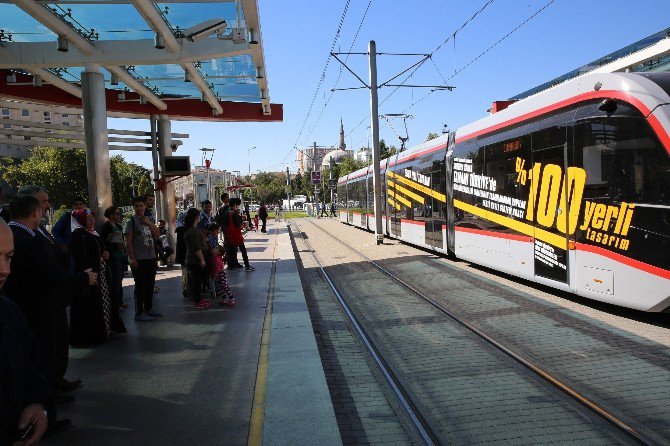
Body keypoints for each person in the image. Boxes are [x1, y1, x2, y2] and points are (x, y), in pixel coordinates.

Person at [3, 195, 95, 436]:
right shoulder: (28, 240)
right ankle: (44, 419)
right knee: (42, 360)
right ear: (34, 212)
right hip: (39, 310)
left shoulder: (23, 235)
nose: (4, 268)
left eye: (7, 258)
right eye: (43, 204)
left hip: (31, 309)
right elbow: (50, 275)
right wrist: (83, 278)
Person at [17, 185, 83, 394]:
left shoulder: (41, 229)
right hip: (42, 302)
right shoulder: (26, 235)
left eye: (47, 201)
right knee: (46, 347)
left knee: (59, 341)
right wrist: (80, 278)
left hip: (55, 300)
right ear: (31, 205)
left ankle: (56, 379)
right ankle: (47, 391)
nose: (47, 205)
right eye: (43, 201)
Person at [0, 219, 51, 445]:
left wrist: (36, 404)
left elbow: (32, 368)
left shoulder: (9, 313)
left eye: (8, 257)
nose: (5, 270)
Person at [69, 209, 126, 346]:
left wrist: (105, 253)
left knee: (103, 302)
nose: (91, 220)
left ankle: (105, 330)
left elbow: (101, 247)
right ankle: (92, 335)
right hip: (90, 276)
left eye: (92, 218)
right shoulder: (79, 235)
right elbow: (80, 257)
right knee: (90, 306)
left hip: (101, 274)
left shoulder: (92, 233)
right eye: (88, 218)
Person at [124, 196, 161, 322]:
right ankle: (139, 312)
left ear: (145, 206)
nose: (139, 208)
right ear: (134, 207)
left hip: (151, 257)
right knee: (140, 286)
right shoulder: (131, 222)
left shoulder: (148, 219)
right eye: (137, 206)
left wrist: (149, 223)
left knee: (150, 284)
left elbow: (157, 234)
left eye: (141, 205)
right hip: (139, 259)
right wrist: (131, 258)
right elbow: (128, 242)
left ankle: (149, 308)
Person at [100, 206, 127, 311]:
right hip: (113, 256)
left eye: (118, 214)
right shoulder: (106, 227)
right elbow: (103, 241)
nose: (118, 215)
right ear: (110, 215)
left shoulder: (119, 226)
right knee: (115, 279)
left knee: (119, 279)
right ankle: (115, 303)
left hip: (120, 255)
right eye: (116, 213)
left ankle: (119, 301)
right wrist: (113, 244)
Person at [183, 208, 210, 309]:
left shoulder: (191, 228)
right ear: (196, 217)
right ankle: (197, 301)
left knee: (199, 280)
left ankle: (199, 298)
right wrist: (202, 259)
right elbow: (195, 247)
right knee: (197, 281)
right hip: (195, 259)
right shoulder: (193, 230)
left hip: (195, 258)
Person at [226, 198, 254, 272]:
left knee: (233, 251)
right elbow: (238, 225)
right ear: (235, 205)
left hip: (230, 234)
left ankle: (233, 266)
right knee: (243, 250)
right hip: (237, 234)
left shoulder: (227, 212)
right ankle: (247, 266)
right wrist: (243, 226)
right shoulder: (234, 213)